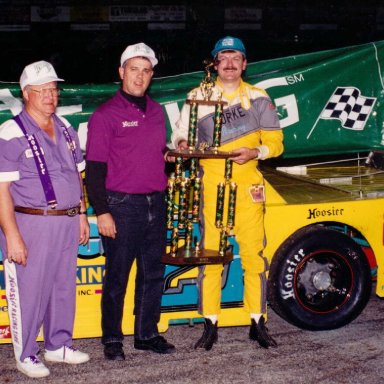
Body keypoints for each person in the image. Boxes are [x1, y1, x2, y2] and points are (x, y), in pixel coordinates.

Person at [171, 36, 284, 350]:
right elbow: (182, 131)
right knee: (211, 260)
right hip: (211, 187)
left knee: (254, 258)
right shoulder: (199, 95)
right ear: (215, 64)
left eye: (236, 58)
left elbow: (277, 143)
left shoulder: (259, 97)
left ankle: (257, 322)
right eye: (224, 58)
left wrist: (256, 151)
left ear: (244, 63)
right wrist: (182, 144)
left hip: (249, 188)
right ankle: (210, 324)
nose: (230, 64)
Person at [0, 60, 90, 378]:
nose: (50, 96)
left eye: (54, 89)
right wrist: (11, 235)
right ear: (26, 94)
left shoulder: (66, 128)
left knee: (62, 285)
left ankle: (58, 344)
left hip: (66, 220)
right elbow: (1, 189)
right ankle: (26, 354)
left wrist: (81, 213)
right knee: (31, 289)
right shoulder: (11, 131)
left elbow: (77, 175)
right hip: (31, 221)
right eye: (42, 91)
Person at [85, 42, 175, 361]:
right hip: (121, 205)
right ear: (121, 72)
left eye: (146, 70)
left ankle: (147, 334)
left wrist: (174, 155)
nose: (140, 76)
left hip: (155, 202)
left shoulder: (157, 111)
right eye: (133, 69)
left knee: (152, 273)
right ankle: (112, 338)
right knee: (117, 277)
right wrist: (103, 212)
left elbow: (156, 155)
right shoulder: (105, 115)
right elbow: (94, 171)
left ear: (152, 75)